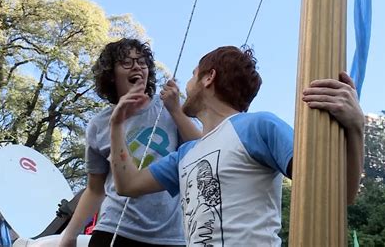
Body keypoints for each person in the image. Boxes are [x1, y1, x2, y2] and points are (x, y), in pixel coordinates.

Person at [107, 46, 364, 246]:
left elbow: (338, 195)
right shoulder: (184, 154)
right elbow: (128, 185)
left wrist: (355, 128)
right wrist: (117, 125)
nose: (187, 85)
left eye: (193, 74)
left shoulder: (258, 126)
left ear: (209, 77)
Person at [59, 38, 201, 247]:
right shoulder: (99, 124)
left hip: (169, 237)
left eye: (141, 62)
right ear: (111, 75)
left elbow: (202, 150)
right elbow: (95, 190)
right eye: (126, 62)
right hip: (113, 230)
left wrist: (175, 110)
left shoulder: (168, 108)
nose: (136, 66)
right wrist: (69, 235)